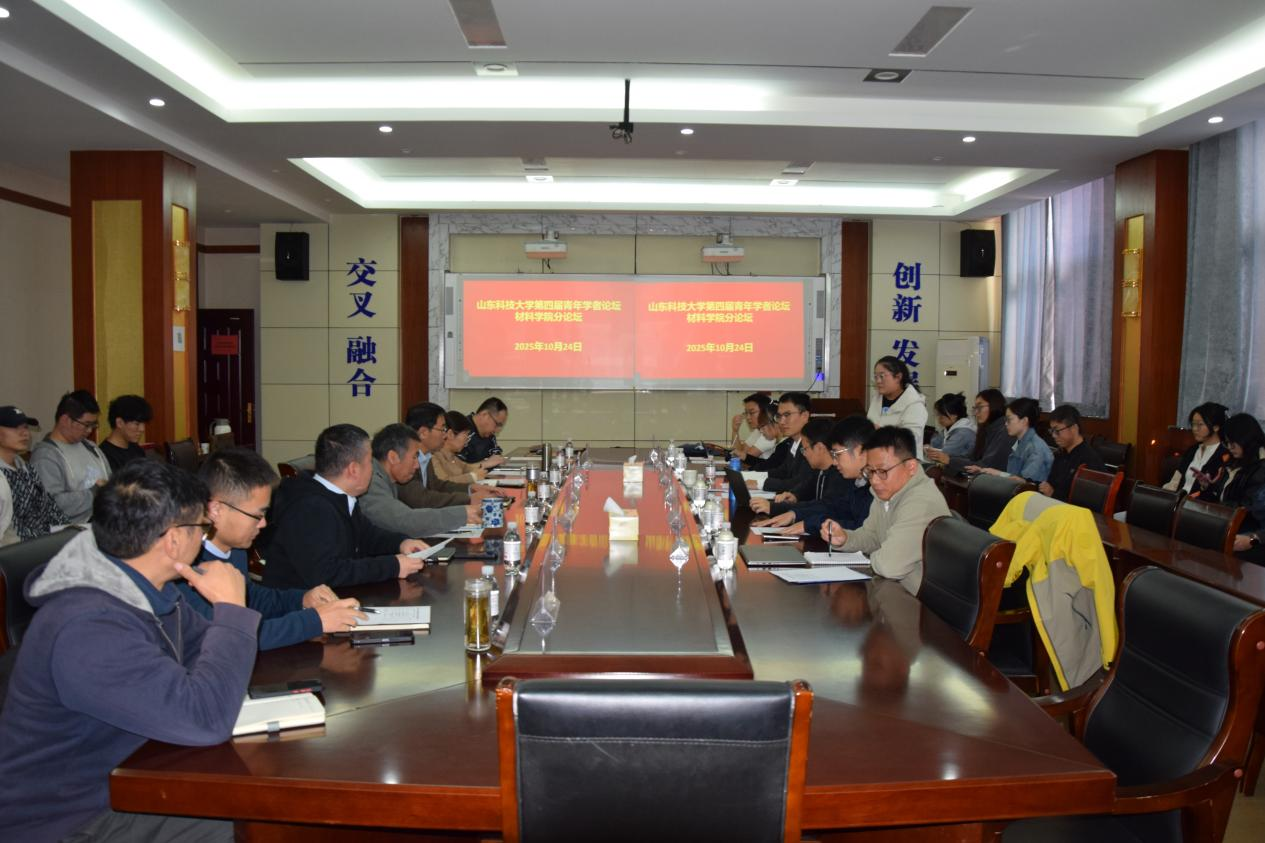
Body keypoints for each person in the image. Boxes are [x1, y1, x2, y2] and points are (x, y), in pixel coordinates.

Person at [0, 459, 255, 842]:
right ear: (173, 539)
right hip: (69, 819)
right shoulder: (89, 627)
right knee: (252, 824)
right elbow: (205, 719)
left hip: (131, 775)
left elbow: (203, 653)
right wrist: (231, 610)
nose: (204, 540)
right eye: (202, 529)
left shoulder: (147, 588)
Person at [177, 448, 366, 649]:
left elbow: (250, 597)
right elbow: (228, 635)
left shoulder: (235, 547)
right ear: (216, 510)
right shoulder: (186, 562)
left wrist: (302, 599)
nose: (263, 524)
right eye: (257, 516)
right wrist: (315, 621)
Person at [260, 424, 429, 589]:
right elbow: (326, 573)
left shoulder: (341, 497)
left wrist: (401, 543)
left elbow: (367, 536)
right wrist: (392, 566)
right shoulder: (310, 508)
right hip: (298, 602)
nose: (373, 469)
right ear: (353, 469)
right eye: (370, 462)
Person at [820, 426, 951, 595]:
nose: (874, 480)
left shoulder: (921, 502)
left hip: (917, 602)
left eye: (882, 471)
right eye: (870, 471)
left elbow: (889, 566)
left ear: (911, 467)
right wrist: (846, 539)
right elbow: (872, 536)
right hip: (891, 592)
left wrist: (875, 555)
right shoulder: (887, 491)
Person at [754, 415, 875, 535]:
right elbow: (832, 507)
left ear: (859, 451)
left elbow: (860, 528)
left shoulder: (872, 486)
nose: (834, 462)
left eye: (837, 454)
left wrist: (810, 524)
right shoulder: (858, 483)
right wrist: (795, 514)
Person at [361, 423, 477, 537]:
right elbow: (406, 520)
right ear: (393, 457)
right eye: (414, 457)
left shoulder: (385, 479)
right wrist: (462, 514)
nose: (417, 465)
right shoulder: (370, 482)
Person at [30, 389, 112, 523]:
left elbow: (110, 482)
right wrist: (95, 492)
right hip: (70, 531)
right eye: (86, 424)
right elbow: (50, 505)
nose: (90, 430)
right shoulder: (45, 457)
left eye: (93, 425)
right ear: (66, 420)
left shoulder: (91, 447)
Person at [397, 403, 497, 510]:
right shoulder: (405, 460)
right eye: (443, 429)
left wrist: (471, 488)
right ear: (423, 433)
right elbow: (421, 499)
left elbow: (438, 486)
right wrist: (468, 499)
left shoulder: (425, 455)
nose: (445, 435)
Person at [1203, 413, 1265, 564]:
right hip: (1228, 526)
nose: (1230, 447)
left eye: (1233, 442)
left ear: (1247, 439)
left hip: (1249, 534)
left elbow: (1249, 509)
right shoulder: (1234, 462)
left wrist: (1253, 538)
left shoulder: (1261, 468)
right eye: (1227, 442)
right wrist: (1210, 487)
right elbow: (1226, 498)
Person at [0, 406, 65, 545]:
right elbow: (9, 531)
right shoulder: (2, 476)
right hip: (16, 549)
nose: (25, 433)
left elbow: (50, 508)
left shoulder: (27, 469)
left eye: (25, 427)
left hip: (42, 542)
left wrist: (69, 530)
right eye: (15, 427)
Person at [928, 389, 1011, 476]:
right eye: (975, 408)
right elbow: (972, 458)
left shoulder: (1004, 431)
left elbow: (987, 465)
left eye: (979, 407)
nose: (975, 413)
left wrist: (949, 460)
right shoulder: (986, 429)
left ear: (994, 405)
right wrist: (949, 459)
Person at [975, 397, 1053, 485]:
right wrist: (989, 471)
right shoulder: (1021, 442)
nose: (1006, 424)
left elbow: (1025, 484)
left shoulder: (1036, 449)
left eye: (1009, 419)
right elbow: (1014, 476)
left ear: (1024, 421)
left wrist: (997, 473)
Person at [749, 392, 815, 494]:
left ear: (805, 416)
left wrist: (759, 483)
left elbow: (799, 482)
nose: (781, 422)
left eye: (787, 415)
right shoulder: (793, 442)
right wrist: (748, 476)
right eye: (779, 416)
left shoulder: (812, 446)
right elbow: (783, 471)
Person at [1039, 404, 1107, 501]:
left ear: (1074, 428)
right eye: (1052, 431)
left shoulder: (1089, 460)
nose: (1053, 435)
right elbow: (1051, 483)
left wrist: (1053, 494)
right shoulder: (1060, 454)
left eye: (1057, 430)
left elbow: (1086, 502)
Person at [866, 356, 929, 459]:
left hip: (903, 462)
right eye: (876, 377)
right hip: (877, 459)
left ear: (898, 377)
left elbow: (910, 440)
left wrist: (879, 432)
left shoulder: (915, 405)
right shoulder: (876, 400)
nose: (878, 381)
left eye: (882, 376)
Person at [1163, 402, 1229, 494]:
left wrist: (1205, 486)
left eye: (1200, 424)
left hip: (1199, 501)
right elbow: (1176, 480)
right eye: (1193, 424)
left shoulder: (1224, 455)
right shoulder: (1193, 450)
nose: (1194, 429)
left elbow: (1219, 491)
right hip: (1180, 499)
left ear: (1216, 427)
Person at [434, 411, 493, 484]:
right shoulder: (434, 456)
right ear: (450, 434)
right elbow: (443, 483)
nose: (467, 438)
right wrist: (473, 476)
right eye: (465, 433)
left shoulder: (452, 456)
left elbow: (467, 468)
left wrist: (485, 468)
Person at [99, 393, 153, 472]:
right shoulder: (104, 455)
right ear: (119, 423)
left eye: (143, 424)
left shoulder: (136, 449)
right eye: (137, 424)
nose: (142, 429)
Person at [457, 397, 509, 466]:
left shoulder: (489, 434)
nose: (497, 430)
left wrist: (498, 458)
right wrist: (484, 464)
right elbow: (455, 468)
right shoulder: (462, 431)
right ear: (485, 415)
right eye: (497, 424)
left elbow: (495, 453)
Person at [925, 393, 975, 459]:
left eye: (941, 415)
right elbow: (934, 445)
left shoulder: (963, 433)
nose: (939, 418)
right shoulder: (948, 429)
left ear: (954, 415)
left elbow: (944, 454)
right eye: (937, 415)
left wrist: (928, 449)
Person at [731, 393, 778, 461]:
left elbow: (745, 460)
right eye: (746, 413)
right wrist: (735, 431)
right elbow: (741, 452)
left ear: (765, 412)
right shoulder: (758, 430)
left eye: (752, 413)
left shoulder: (769, 433)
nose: (748, 417)